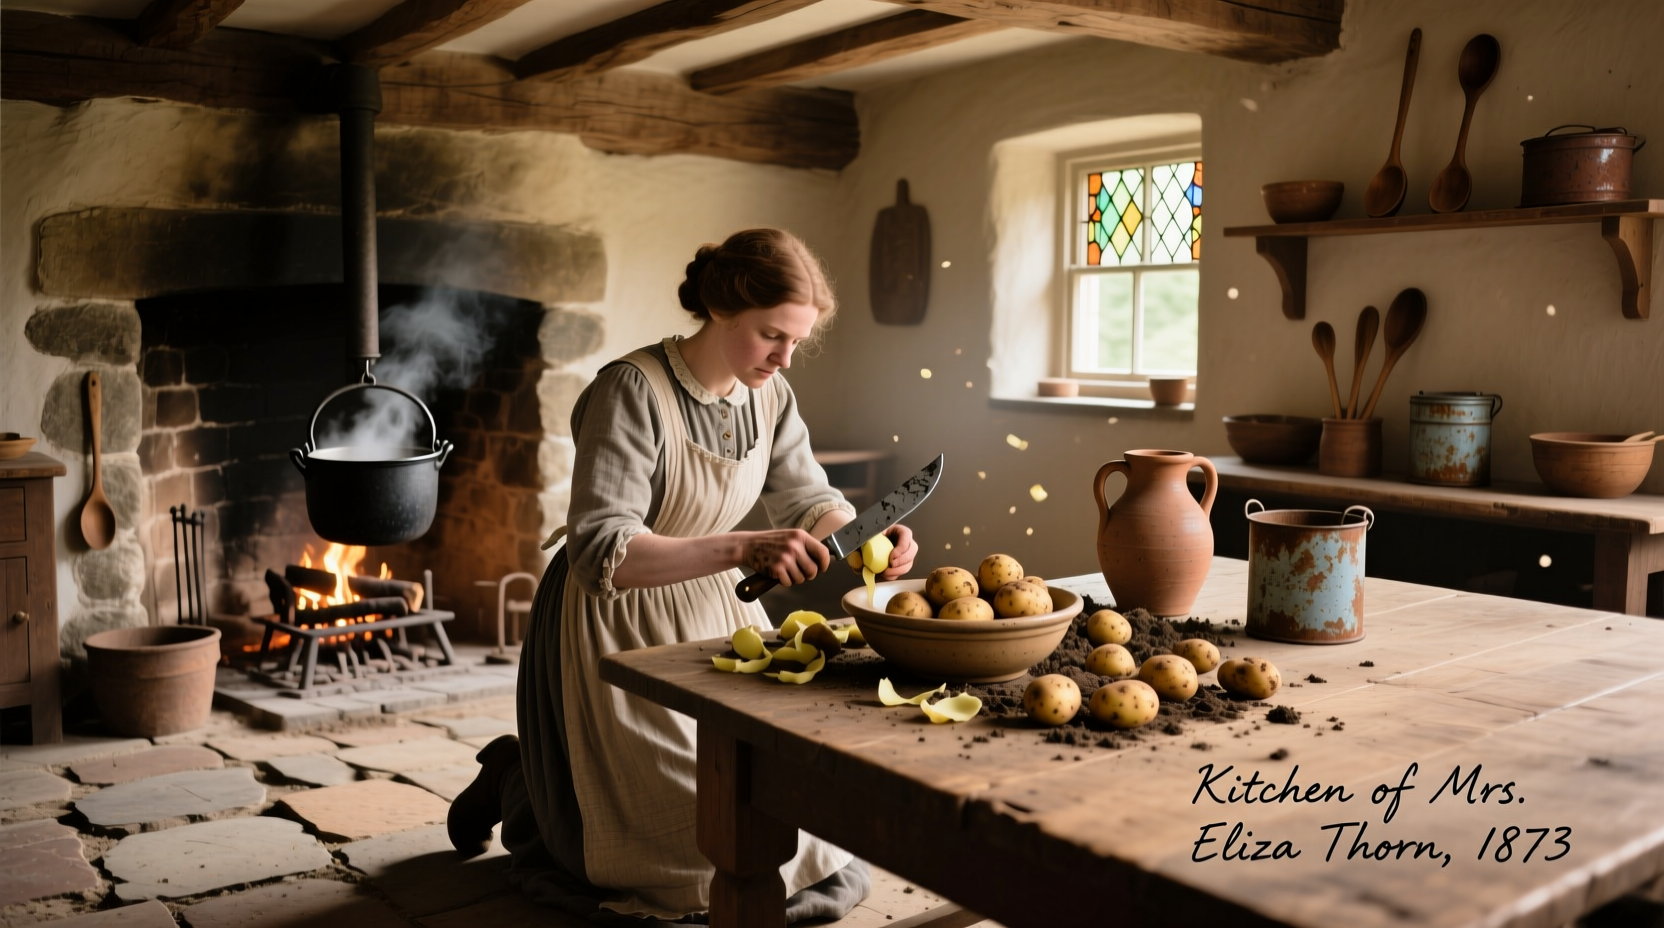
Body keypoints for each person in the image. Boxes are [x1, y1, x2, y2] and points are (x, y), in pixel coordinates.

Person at [447, 229, 917, 925]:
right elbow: (602, 550)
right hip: (615, 620)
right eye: (770, 336)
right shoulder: (630, 390)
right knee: (693, 853)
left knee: (788, 824)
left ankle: (539, 778)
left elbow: (808, 499)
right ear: (723, 307)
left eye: (797, 342)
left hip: (721, 614)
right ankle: (520, 779)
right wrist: (744, 548)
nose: (784, 358)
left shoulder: (771, 396)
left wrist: (866, 535)